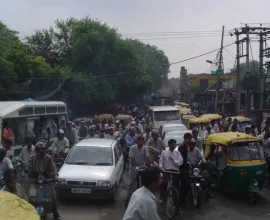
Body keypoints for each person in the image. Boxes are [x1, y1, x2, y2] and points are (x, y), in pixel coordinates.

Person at [28, 141, 61, 220]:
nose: (42, 151)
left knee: (53, 196)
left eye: (44, 149)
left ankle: (56, 214)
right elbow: (28, 167)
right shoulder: (32, 158)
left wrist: (56, 176)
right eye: (40, 149)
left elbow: (53, 168)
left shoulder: (48, 158)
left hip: (46, 178)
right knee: (30, 196)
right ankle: (29, 213)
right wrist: (27, 171)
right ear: (37, 149)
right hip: (35, 179)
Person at [125, 136, 150, 208]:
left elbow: (147, 157)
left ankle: (143, 199)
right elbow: (131, 159)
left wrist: (149, 163)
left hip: (142, 166)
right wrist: (134, 167)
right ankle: (128, 198)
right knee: (131, 182)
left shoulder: (144, 148)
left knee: (144, 182)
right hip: (134, 166)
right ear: (137, 141)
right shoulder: (132, 148)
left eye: (143, 141)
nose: (142, 143)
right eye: (141, 141)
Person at [178, 132, 192, 207]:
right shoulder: (181, 147)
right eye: (189, 139)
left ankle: (182, 202)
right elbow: (181, 160)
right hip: (182, 169)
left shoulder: (185, 147)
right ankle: (180, 202)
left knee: (185, 186)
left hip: (185, 168)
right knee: (186, 185)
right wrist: (186, 165)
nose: (190, 140)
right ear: (186, 138)